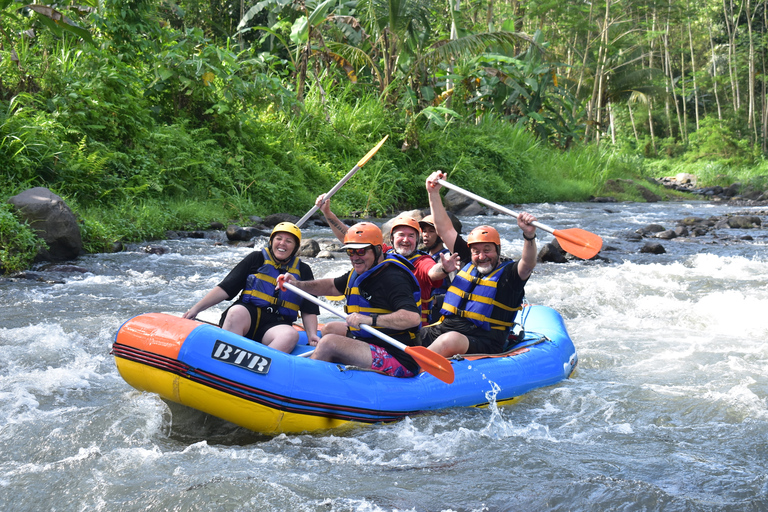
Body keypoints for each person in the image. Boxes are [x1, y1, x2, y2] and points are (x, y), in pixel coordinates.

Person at [276, 222, 422, 377]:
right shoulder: (362, 271)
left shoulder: (393, 278)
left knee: (328, 343)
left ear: (378, 249)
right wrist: (297, 284)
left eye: (360, 251)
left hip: (397, 355)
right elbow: (332, 286)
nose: (355, 257)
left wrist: (368, 319)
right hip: (370, 342)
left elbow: (412, 318)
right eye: (350, 252)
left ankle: (303, 382)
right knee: (329, 328)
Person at [420, 170, 538, 357]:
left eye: (487, 250)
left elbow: (529, 263)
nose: (481, 256)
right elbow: (444, 229)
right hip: (444, 328)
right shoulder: (468, 260)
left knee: (449, 340)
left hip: (483, 340)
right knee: (406, 335)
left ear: (497, 251)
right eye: (476, 251)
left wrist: (529, 235)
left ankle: (411, 374)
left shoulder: (510, 275)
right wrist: (433, 193)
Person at [183, 222, 320, 353]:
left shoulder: (303, 270)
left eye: (289, 241)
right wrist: (195, 310)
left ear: (295, 247)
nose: (282, 243)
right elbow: (226, 288)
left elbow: (309, 308)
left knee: (290, 335)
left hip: (276, 324)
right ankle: (224, 359)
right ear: (272, 241)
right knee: (235, 312)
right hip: (248, 315)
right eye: (279, 238)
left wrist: (312, 335)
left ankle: (255, 370)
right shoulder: (256, 258)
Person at [314, 193, 449, 327]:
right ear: (391, 238)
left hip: (411, 331)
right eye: (401, 235)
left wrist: (443, 268)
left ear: (417, 240)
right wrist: (328, 213)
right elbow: (352, 238)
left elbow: (432, 271)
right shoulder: (382, 253)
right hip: (375, 327)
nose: (406, 240)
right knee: (329, 328)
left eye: (411, 236)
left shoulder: (422, 261)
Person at [419, 214, 453, 323]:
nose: (425, 235)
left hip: (440, 313)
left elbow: (459, 292)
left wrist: (437, 300)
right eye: (424, 231)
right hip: (423, 309)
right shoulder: (422, 257)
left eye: (431, 231)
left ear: (440, 235)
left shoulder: (448, 259)